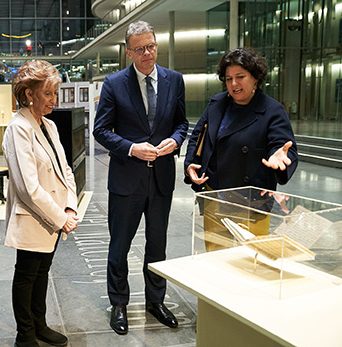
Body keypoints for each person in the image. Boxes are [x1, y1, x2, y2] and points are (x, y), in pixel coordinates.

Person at [93, 21, 189, 335]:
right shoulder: (114, 83)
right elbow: (101, 131)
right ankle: (119, 304)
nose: (147, 53)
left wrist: (176, 141)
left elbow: (181, 123)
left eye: (151, 46)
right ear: (128, 51)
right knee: (119, 246)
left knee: (157, 245)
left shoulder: (175, 80)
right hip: (126, 179)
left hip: (161, 177)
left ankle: (155, 301)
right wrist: (132, 148)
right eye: (140, 49)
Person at [184, 47, 298, 250]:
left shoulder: (272, 110)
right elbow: (198, 137)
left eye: (240, 77)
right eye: (228, 78)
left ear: (255, 77)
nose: (233, 84)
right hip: (215, 196)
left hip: (251, 201)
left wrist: (277, 158)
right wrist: (191, 164)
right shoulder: (217, 104)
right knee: (216, 258)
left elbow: (282, 146)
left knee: (250, 261)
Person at [2, 60, 79, 347]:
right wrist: (61, 218)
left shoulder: (49, 125)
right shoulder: (18, 128)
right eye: (48, 93)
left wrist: (70, 207)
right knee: (26, 275)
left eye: (55, 93)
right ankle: (25, 335)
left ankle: (39, 324)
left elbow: (65, 170)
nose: (53, 100)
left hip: (56, 216)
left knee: (42, 273)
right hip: (34, 218)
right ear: (29, 93)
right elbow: (28, 188)